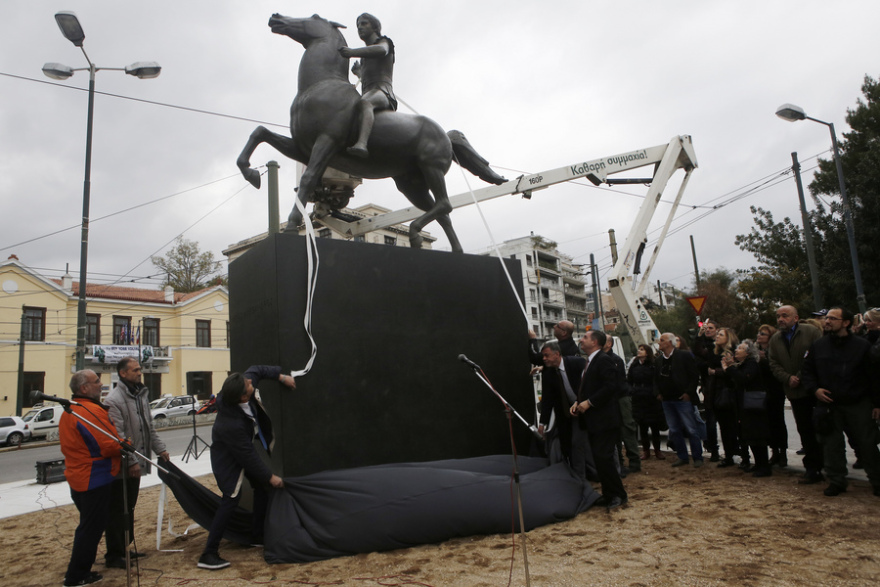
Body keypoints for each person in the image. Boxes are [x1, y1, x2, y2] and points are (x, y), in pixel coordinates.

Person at [198, 366, 296, 570]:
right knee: (230, 500)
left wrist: (281, 376)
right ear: (243, 397)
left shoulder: (241, 386)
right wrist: (270, 477)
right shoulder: (230, 424)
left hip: (241, 450)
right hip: (227, 459)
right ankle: (208, 554)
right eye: (248, 385)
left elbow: (257, 370)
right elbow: (248, 457)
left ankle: (256, 535)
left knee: (261, 487)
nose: (251, 382)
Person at [800, 307, 880, 497]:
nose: (827, 321)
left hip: (857, 402)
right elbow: (807, 371)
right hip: (829, 404)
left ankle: (877, 480)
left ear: (846, 323)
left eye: (833, 318)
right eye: (826, 318)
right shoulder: (818, 346)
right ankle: (836, 480)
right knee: (831, 445)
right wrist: (815, 389)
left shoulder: (862, 346)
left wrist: (877, 403)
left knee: (867, 443)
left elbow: (874, 377)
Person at [104, 357, 169, 568]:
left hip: (136, 464)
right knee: (118, 509)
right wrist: (131, 461)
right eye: (135, 370)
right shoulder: (113, 400)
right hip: (122, 467)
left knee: (129, 507)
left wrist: (160, 449)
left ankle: (125, 548)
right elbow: (118, 435)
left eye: (139, 369)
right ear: (123, 373)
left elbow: (148, 427)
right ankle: (114, 554)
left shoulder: (139, 396)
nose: (139, 373)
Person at [60, 370, 122, 587]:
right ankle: (76, 576)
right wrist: (124, 444)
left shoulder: (72, 410)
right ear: (84, 388)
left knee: (90, 525)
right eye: (97, 382)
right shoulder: (87, 411)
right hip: (93, 478)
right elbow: (106, 445)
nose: (101, 384)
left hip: (79, 476)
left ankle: (79, 571)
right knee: (90, 528)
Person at [767, 305, 823, 484]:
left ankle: (828, 465)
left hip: (813, 389)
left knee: (822, 429)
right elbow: (773, 362)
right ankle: (812, 469)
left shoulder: (811, 332)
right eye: (778, 316)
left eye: (785, 315)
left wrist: (799, 376)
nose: (781, 319)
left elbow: (817, 356)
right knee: (805, 430)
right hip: (794, 392)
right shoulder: (775, 339)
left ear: (795, 318)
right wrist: (787, 378)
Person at [573, 330, 628, 510]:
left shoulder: (603, 360)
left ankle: (618, 495)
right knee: (600, 459)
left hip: (605, 420)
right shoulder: (590, 361)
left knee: (604, 459)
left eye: (585, 337)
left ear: (595, 342)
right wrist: (578, 403)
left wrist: (589, 403)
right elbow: (589, 387)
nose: (581, 340)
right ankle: (609, 493)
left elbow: (610, 387)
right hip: (594, 420)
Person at [339, 13, 397, 158]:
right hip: (369, 91)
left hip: (383, 93)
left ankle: (362, 144)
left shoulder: (384, 42)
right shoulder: (365, 58)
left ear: (375, 27)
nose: (360, 27)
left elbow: (381, 50)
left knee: (365, 102)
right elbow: (366, 79)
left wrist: (352, 52)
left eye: (364, 24)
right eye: (358, 25)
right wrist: (359, 73)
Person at [538, 342, 597, 482]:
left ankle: (594, 473)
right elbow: (547, 400)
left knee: (589, 444)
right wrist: (542, 423)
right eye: (543, 356)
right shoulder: (548, 373)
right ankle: (576, 476)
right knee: (569, 445)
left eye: (546, 355)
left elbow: (592, 385)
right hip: (565, 415)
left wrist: (583, 402)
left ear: (557, 354)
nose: (544, 359)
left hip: (589, 411)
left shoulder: (577, 363)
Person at [654, 332, 703, 467]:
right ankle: (682, 456)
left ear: (669, 343)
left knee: (691, 429)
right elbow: (655, 379)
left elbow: (694, 375)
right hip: (667, 400)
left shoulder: (684, 356)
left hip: (682, 399)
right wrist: (658, 392)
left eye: (662, 340)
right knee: (674, 430)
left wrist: (688, 393)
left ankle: (697, 457)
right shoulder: (658, 360)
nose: (659, 342)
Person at [726, 340, 772, 477]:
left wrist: (730, 368)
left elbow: (743, 379)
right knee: (751, 436)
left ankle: (764, 466)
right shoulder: (742, 364)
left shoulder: (751, 364)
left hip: (754, 405)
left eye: (740, 348)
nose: (736, 350)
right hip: (745, 404)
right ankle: (758, 464)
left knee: (758, 435)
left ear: (748, 352)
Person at [604, 336, 640, 474]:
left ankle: (634, 462)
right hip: (613, 399)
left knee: (627, 429)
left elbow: (617, 383)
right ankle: (619, 462)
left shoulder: (615, 360)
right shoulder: (604, 359)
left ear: (608, 343)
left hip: (620, 398)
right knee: (615, 432)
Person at [710, 328, 744, 468]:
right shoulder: (716, 353)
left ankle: (739, 454)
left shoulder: (732, 353)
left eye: (721, 335)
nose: (717, 337)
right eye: (717, 334)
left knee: (733, 426)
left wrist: (716, 372)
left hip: (730, 392)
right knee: (724, 426)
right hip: (718, 392)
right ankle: (729, 455)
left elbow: (730, 372)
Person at [756, 324, 788, 467]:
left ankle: (782, 453)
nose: (759, 335)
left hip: (775, 390)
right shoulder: (755, 351)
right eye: (759, 333)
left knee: (778, 422)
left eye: (763, 334)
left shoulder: (774, 350)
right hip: (761, 390)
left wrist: (765, 359)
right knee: (766, 423)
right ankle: (773, 451)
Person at [628, 344, 666, 460]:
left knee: (654, 426)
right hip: (638, 398)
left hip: (651, 398)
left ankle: (657, 450)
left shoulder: (653, 365)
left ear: (647, 352)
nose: (639, 351)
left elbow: (658, 379)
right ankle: (646, 451)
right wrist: (632, 390)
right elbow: (629, 380)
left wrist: (657, 393)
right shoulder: (634, 365)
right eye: (639, 349)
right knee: (642, 426)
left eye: (642, 349)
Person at [692, 320, 720, 461]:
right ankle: (713, 449)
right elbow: (697, 358)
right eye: (706, 328)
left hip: (723, 388)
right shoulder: (702, 346)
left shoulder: (721, 347)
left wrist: (715, 370)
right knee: (710, 422)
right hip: (709, 388)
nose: (708, 330)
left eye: (711, 328)